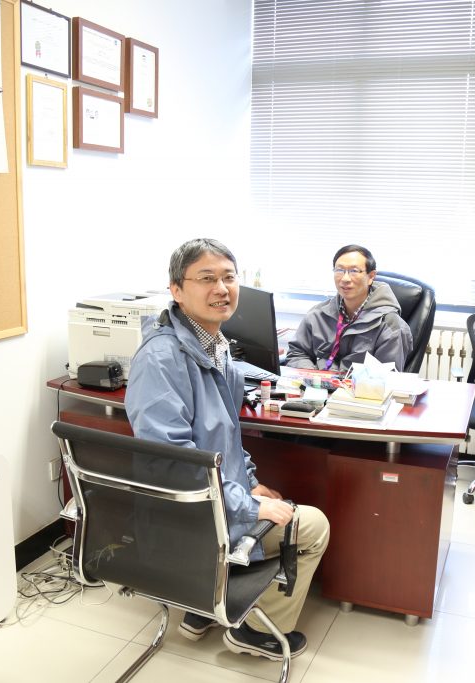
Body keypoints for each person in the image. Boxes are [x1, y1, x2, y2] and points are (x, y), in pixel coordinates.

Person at [125, 238, 330, 661]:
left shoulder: (217, 348)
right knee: (313, 526)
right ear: (176, 290)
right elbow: (172, 464)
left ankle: (205, 605)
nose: (221, 288)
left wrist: (250, 484)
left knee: (275, 498)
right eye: (206, 279)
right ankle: (253, 632)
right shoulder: (161, 358)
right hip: (191, 518)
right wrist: (248, 506)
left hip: (212, 503)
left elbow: (225, 439)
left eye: (228, 277)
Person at [285, 244, 413, 373]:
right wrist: (314, 378)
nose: (345, 278)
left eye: (354, 271)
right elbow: (297, 353)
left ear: (371, 277)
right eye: (339, 270)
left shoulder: (391, 326)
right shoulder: (317, 314)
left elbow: (385, 377)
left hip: (360, 386)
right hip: (317, 383)